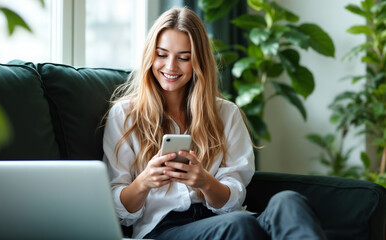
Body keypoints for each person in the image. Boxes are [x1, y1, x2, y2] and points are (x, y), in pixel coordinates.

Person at [103, 7, 327, 240]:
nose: (170, 66)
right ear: (150, 55)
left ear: (198, 62)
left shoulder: (226, 114)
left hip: (222, 219)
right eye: (161, 54)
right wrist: (144, 181)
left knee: (288, 201)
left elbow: (233, 199)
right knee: (238, 225)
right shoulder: (125, 115)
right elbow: (118, 210)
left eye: (183, 58)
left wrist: (204, 181)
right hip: (163, 229)